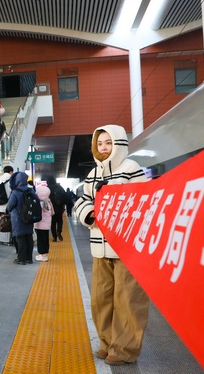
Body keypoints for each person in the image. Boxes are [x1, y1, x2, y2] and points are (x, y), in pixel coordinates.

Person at [73, 124, 149, 366]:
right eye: (100, 143)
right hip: (99, 246)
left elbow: (144, 201)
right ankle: (107, 342)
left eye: (108, 142)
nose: (104, 147)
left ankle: (124, 348)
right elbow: (82, 199)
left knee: (128, 299)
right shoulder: (93, 173)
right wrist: (89, 213)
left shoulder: (131, 168)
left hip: (126, 247)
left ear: (119, 144)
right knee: (101, 299)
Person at [6, 171, 34, 265]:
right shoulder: (31, 190)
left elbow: (10, 206)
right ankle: (29, 258)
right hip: (29, 217)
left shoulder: (15, 192)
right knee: (29, 237)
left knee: (20, 238)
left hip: (18, 219)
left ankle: (21, 259)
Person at [34, 185, 53, 262]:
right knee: (45, 239)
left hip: (40, 225)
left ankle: (43, 255)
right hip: (47, 225)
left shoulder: (40, 203)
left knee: (41, 240)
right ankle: (44, 254)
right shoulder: (48, 202)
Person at [46, 176, 67, 242]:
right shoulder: (60, 187)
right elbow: (65, 196)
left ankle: (54, 237)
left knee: (53, 223)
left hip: (51, 209)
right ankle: (59, 232)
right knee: (60, 220)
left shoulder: (47, 188)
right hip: (59, 207)